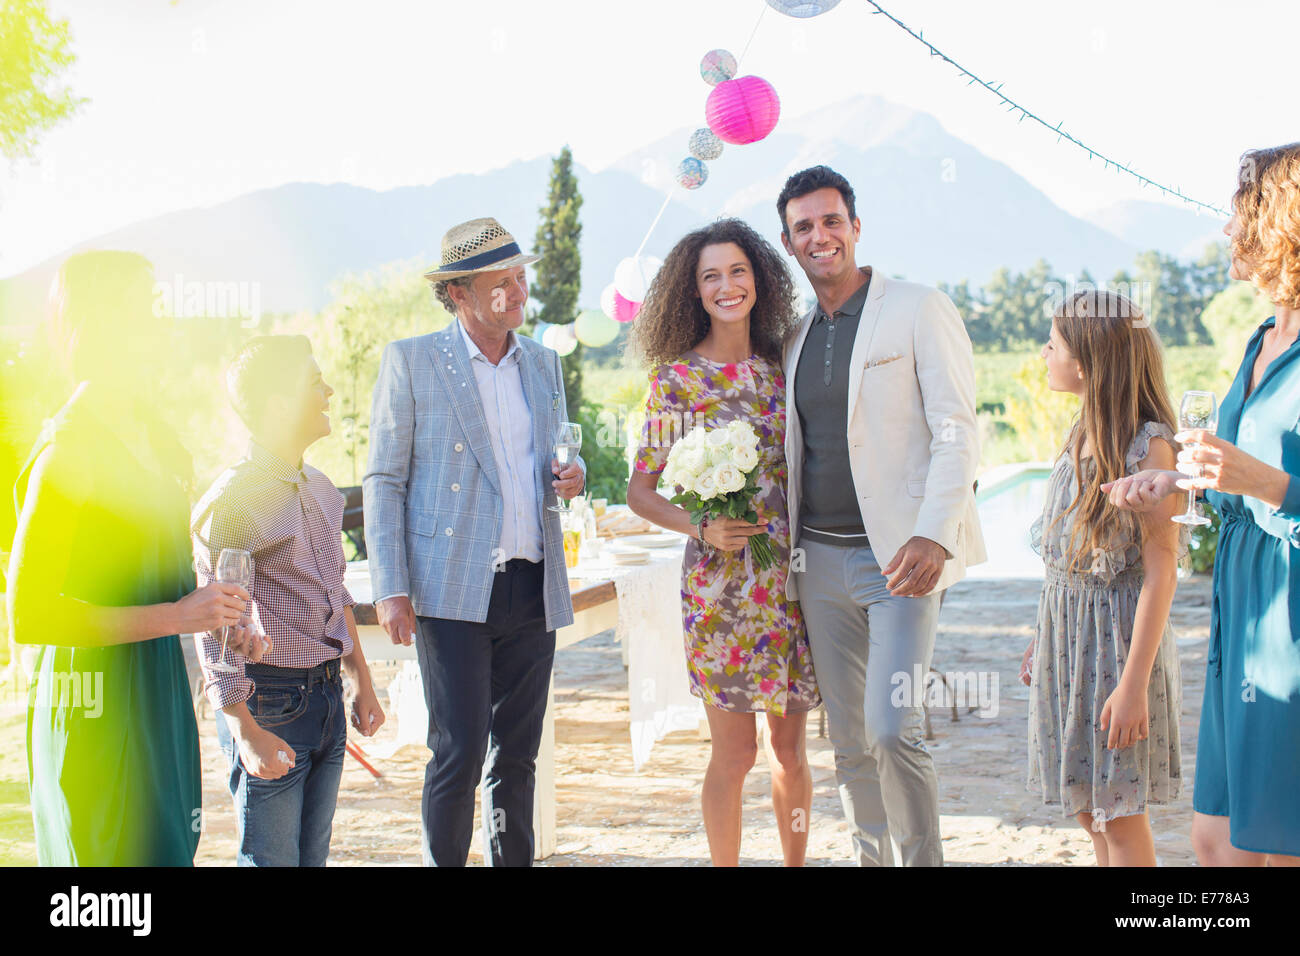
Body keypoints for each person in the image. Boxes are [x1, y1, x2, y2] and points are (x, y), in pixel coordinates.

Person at [7, 250, 255, 865]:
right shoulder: (68, 452)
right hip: (92, 706)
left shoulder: (157, 441)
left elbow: (170, 584)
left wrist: (221, 617)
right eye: (148, 309)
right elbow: (30, 616)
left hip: (159, 697)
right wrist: (176, 616)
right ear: (104, 325)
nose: (163, 323)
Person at [777, 165, 985, 866]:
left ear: (856, 227)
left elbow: (958, 428)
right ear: (789, 241)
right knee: (848, 740)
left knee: (895, 728)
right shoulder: (794, 335)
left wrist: (936, 532)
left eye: (831, 220)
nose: (820, 235)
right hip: (818, 563)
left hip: (901, 557)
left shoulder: (918, 308)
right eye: (804, 226)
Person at [364, 217, 585, 867]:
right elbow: (384, 478)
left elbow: (554, 461)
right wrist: (392, 587)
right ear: (459, 293)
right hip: (451, 586)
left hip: (532, 580)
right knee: (458, 750)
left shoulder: (543, 363)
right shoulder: (412, 361)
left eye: (522, 279)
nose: (520, 293)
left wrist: (573, 476)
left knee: (518, 753)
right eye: (503, 283)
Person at [1105, 143, 1300, 865]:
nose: (1226, 231)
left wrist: (1262, 483)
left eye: (1239, 214)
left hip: (1292, 615)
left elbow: (1265, 478)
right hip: (1240, 609)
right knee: (1215, 837)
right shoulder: (1261, 340)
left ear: (1282, 223)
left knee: (1278, 839)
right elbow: (1233, 473)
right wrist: (1174, 484)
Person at [626, 218, 820, 867]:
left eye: (737, 271)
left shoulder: (783, 368)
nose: (727, 285)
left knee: (790, 753)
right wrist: (700, 526)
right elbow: (642, 491)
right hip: (720, 591)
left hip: (791, 582)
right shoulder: (678, 381)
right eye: (711, 275)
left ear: (760, 279)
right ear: (694, 290)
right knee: (735, 754)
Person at [191, 334, 386, 866]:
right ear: (279, 404)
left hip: (326, 700)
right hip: (269, 702)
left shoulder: (322, 490)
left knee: (311, 859)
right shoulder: (232, 502)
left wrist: (361, 683)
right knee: (271, 861)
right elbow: (216, 627)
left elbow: (335, 595)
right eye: (313, 382)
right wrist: (244, 730)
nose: (328, 392)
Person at [1018, 291, 1184, 866]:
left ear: (1086, 362)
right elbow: (1068, 555)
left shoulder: (1148, 447)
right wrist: (1043, 636)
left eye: (1054, 343)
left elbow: (1163, 570)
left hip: (1118, 650)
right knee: (1090, 811)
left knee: (1119, 815)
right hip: (1069, 645)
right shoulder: (1081, 429)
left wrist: (1134, 682)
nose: (1044, 352)